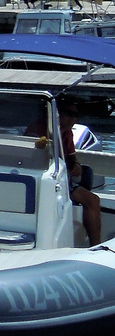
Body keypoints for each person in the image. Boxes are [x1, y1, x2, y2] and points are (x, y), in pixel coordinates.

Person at [59, 101, 102, 245]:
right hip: (52, 181)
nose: (73, 119)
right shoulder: (40, 130)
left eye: (76, 115)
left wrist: (76, 165)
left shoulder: (68, 134)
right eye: (69, 114)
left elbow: (72, 158)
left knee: (93, 200)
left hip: (64, 181)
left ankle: (95, 246)